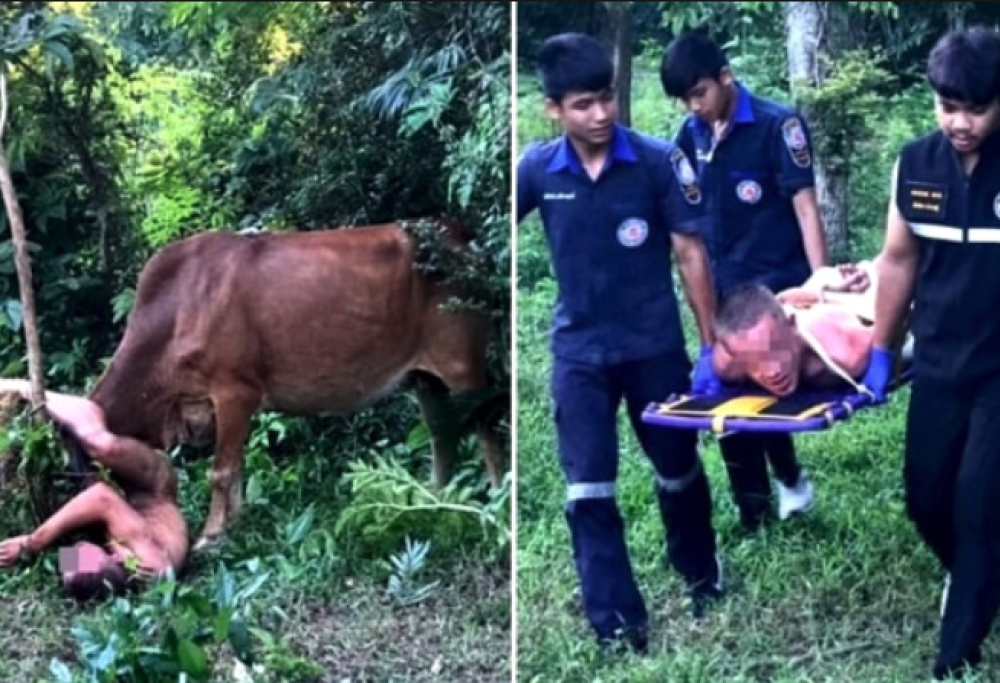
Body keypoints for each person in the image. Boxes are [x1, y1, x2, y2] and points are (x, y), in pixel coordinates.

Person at [516, 32, 723, 652]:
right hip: (579, 355)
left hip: (654, 349)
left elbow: (690, 254)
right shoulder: (535, 169)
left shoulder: (658, 162)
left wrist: (713, 349)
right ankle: (616, 624)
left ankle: (701, 575)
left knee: (678, 471)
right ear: (553, 108)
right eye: (583, 104)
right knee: (588, 489)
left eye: (606, 98)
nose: (600, 114)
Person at [860, 26, 1000, 681]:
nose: (960, 122)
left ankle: (956, 656)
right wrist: (882, 353)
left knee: (979, 502)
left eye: (975, 108)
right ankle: (980, 576)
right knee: (925, 497)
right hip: (940, 361)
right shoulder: (915, 164)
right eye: (947, 106)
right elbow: (898, 261)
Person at [659, 30, 830, 528]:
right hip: (724, 298)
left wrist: (820, 283)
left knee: (772, 394)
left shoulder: (778, 126)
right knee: (727, 405)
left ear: (725, 78)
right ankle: (753, 511)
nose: (693, 107)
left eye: (699, 94)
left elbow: (805, 209)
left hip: (776, 293)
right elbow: (683, 224)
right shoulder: (689, 139)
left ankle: (791, 479)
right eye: (684, 100)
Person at [0, 380, 188, 600]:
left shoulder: (111, 569)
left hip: (122, 503)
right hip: (152, 486)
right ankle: (25, 388)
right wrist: (32, 543)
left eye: (73, 558)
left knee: (63, 474)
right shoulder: (149, 562)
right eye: (83, 553)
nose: (75, 551)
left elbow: (66, 553)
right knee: (100, 445)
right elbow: (101, 497)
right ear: (114, 559)